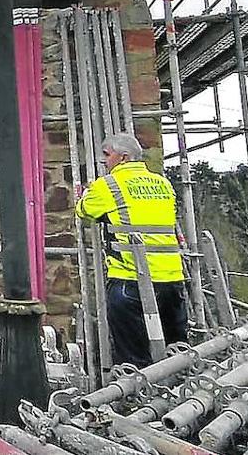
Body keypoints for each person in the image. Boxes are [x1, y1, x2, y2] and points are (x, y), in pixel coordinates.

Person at [75, 132, 188, 368]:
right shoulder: (163, 183)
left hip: (130, 278)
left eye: (107, 155)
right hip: (171, 279)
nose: (104, 161)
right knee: (177, 354)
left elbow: (85, 210)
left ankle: (139, 402)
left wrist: (85, 193)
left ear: (123, 157)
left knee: (134, 361)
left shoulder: (108, 185)